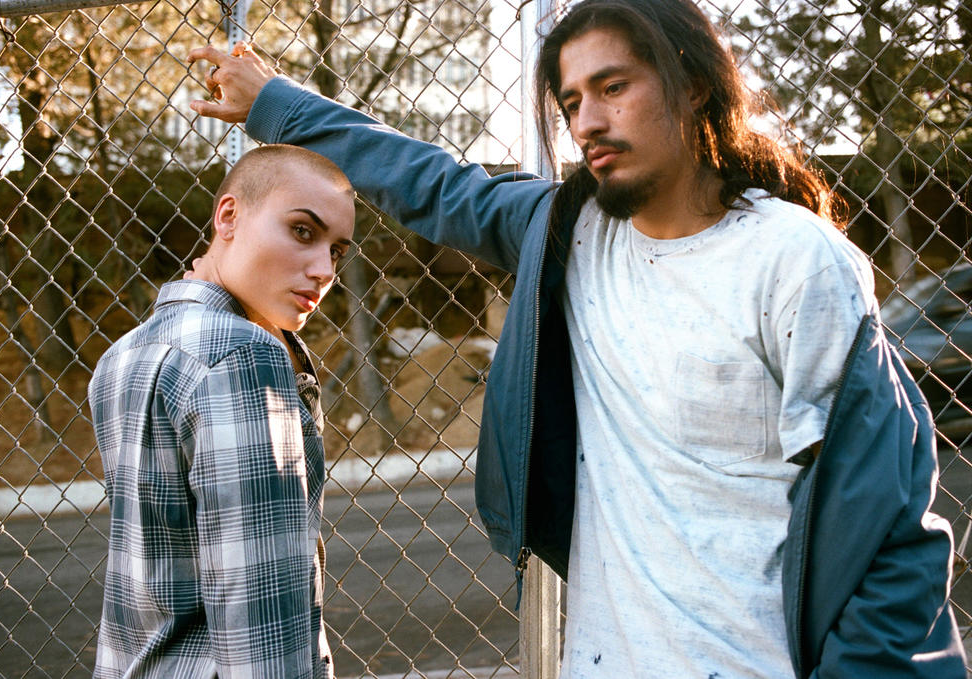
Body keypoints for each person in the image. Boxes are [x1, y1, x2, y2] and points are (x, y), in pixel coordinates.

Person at [186, 0, 966, 676]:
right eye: (570, 100)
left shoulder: (795, 259)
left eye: (614, 87)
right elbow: (430, 180)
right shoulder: (568, 233)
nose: (586, 120)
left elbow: (890, 536)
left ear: (694, 83)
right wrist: (278, 104)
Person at [88, 144, 355, 678]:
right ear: (228, 216)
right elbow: (261, 610)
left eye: (337, 251)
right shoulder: (245, 354)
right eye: (303, 231)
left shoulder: (122, 354)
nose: (324, 270)